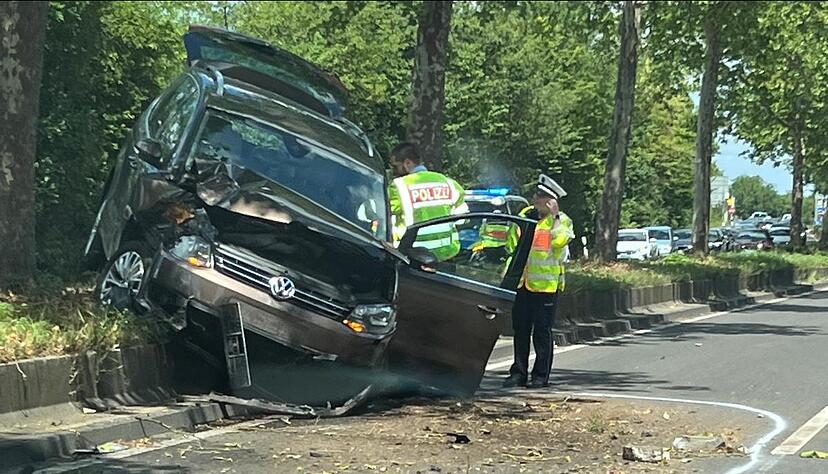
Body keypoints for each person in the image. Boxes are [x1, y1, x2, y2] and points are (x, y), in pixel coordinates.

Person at [503, 174, 574, 389]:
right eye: (536, 195)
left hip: (546, 287)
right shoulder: (525, 216)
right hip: (522, 284)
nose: (536, 200)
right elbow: (511, 244)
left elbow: (561, 241)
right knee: (520, 330)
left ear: (552, 201)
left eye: (542, 197)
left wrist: (555, 217)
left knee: (542, 333)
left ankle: (540, 376)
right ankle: (518, 373)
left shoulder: (562, 220)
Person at [387, 142, 468, 261]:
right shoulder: (449, 183)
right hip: (447, 256)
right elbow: (463, 219)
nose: (393, 171)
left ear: (407, 163)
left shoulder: (399, 187)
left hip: (413, 256)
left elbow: (374, 212)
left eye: (395, 166)